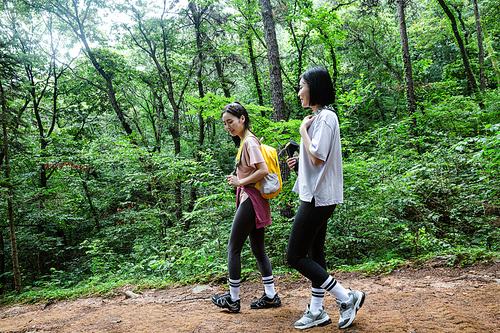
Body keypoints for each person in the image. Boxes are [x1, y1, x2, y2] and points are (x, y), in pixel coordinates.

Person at [286, 67, 365, 330]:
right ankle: (317, 310)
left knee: (295, 256)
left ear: (315, 87)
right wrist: (299, 163)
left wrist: (302, 131)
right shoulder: (318, 118)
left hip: (318, 198)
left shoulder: (326, 117)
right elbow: (316, 160)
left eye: (301, 86)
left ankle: (346, 297)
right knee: (314, 253)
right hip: (314, 194)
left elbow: (319, 156)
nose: (298, 93)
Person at [211, 101, 281, 313]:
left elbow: (262, 170)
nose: (228, 127)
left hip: (251, 200)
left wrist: (239, 182)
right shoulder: (247, 141)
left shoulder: (249, 142)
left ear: (242, 118)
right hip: (255, 199)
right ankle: (270, 296)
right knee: (258, 249)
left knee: (233, 248)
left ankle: (233, 299)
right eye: (224, 124)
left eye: (230, 122)